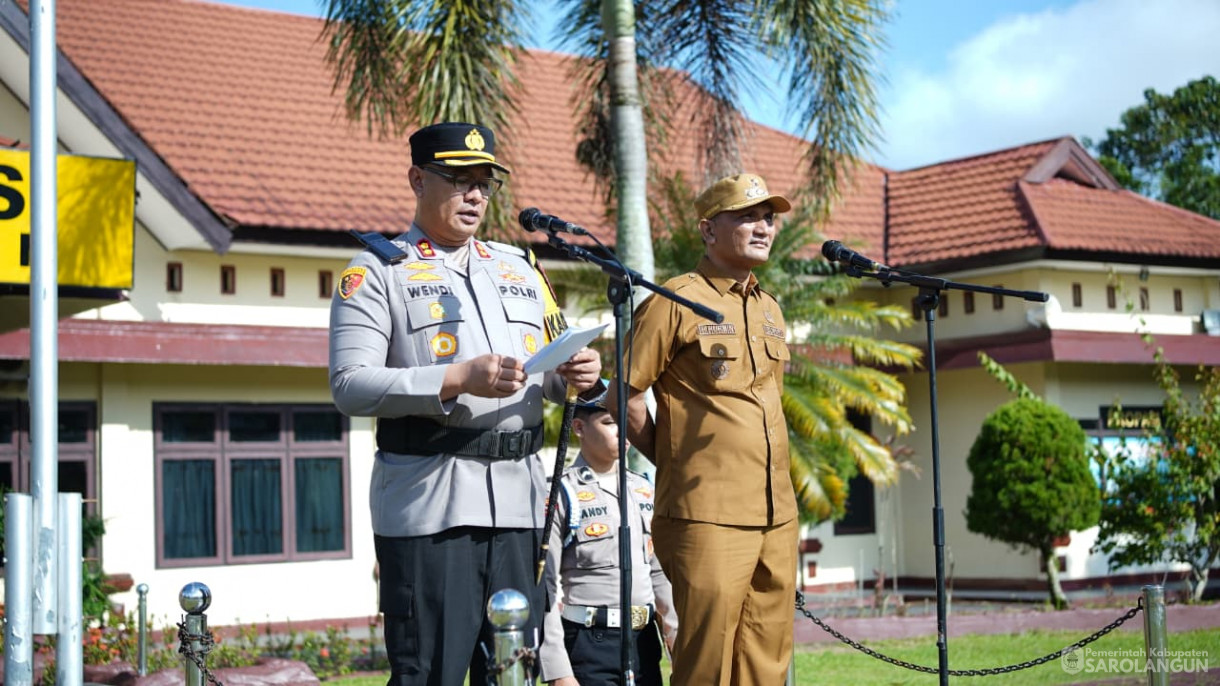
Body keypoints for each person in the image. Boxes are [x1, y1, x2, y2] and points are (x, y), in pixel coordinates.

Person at [328, 121, 602, 686]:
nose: (475, 194)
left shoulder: (521, 268)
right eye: (458, 180)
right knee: (432, 673)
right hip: (435, 505)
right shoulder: (377, 271)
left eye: (485, 182)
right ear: (416, 179)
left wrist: (575, 372)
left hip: (522, 504)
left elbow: (548, 375)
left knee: (513, 674)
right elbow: (349, 385)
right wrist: (455, 377)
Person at [616, 173, 798, 685]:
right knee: (705, 665)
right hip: (706, 516)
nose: (763, 227)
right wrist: (670, 458)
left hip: (776, 514)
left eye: (768, 217)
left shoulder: (769, 307)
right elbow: (624, 391)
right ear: (708, 229)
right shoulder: (677, 300)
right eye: (747, 216)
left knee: (767, 662)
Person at [538, 395, 678, 686]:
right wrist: (558, 671)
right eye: (611, 423)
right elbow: (544, 586)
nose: (623, 430)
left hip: (643, 642)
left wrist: (678, 642)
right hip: (589, 643)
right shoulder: (561, 493)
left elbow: (661, 573)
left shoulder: (644, 489)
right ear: (579, 427)